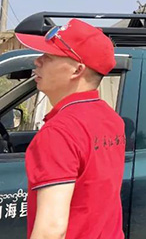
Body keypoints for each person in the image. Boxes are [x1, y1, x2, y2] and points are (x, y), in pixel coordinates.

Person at [15, 19, 124, 239]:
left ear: (77, 70)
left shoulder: (59, 132)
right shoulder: (110, 119)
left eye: (49, 57)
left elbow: (51, 230)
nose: (38, 61)